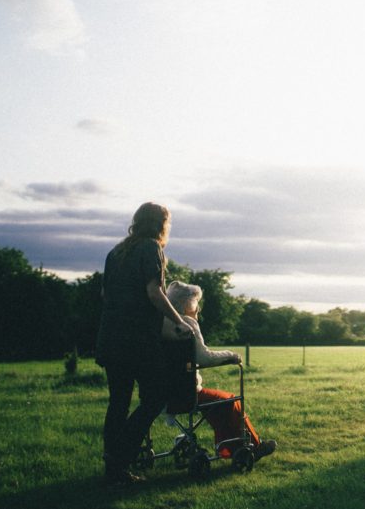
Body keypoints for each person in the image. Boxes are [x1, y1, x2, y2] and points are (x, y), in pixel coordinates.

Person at [95, 202, 193, 485]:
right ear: (161, 224)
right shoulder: (151, 248)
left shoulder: (116, 252)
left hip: (110, 337)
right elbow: (155, 292)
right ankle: (120, 456)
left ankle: (113, 468)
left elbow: (105, 293)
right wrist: (179, 321)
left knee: (119, 402)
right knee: (155, 397)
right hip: (136, 340)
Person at [163, 281, 276, 461]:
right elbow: (204, 358)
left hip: (163, 393)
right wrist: (231, 355)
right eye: (195, 301)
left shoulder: (162, 323)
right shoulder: (187, 323)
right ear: (185, 303)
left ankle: (228, 448)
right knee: (230, 400)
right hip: (186, 393)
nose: (198, 307)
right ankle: (253, 445)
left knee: (217, 403)